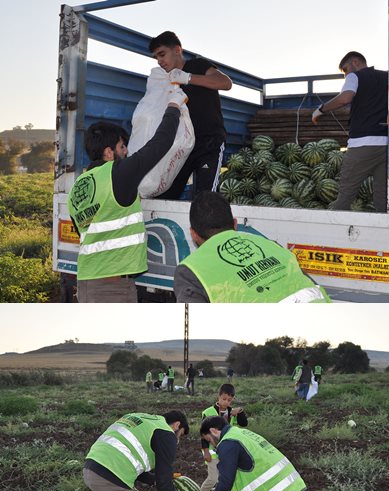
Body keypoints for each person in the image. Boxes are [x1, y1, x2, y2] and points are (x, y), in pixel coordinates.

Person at [71, 111, 183, 302]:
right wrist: (173, 109)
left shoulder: (78, 186)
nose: (126, 152)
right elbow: (160, 144)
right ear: (108, 152)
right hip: (112, 288)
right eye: (122, 146)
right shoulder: (117, 174)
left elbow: (83, 230)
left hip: (87, 281)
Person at [174, 192, 330, 302]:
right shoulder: (271, 245)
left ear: (193, 234)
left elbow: (194, 331)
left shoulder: (190, 271)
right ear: (235, 224)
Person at [148, 31, 232, 201]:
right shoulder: (164, 79)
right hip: (181, 147)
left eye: (162, 54)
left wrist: (188, 78)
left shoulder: (197, 65)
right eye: (156, 57)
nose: (159, 61)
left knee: (205, 199)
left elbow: (225, 83)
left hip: (209, 142)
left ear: (177, 50)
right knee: (163, 195)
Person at [314, 51, 389, 213]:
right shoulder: (387, 77)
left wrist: (321, 109)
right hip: (387, 145)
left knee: (346, 193)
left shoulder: (355, 76)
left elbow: (345, 98)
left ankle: (335, 225)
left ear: (355, 62)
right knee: (382, 195)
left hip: (362, 144)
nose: (346, 75)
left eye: (346, 70)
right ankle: (384, 226)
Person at [200, 383, 248, 490]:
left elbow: (244, 423)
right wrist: (206, 451)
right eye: (224, 399)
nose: (226, 402)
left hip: (227, 451)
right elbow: (203, 433)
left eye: (229, 400)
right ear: (219, 396)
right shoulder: (208, 412)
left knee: (225, 478)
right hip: (212, 452)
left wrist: (240, 411)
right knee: (213, 479)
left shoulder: (233, 412)